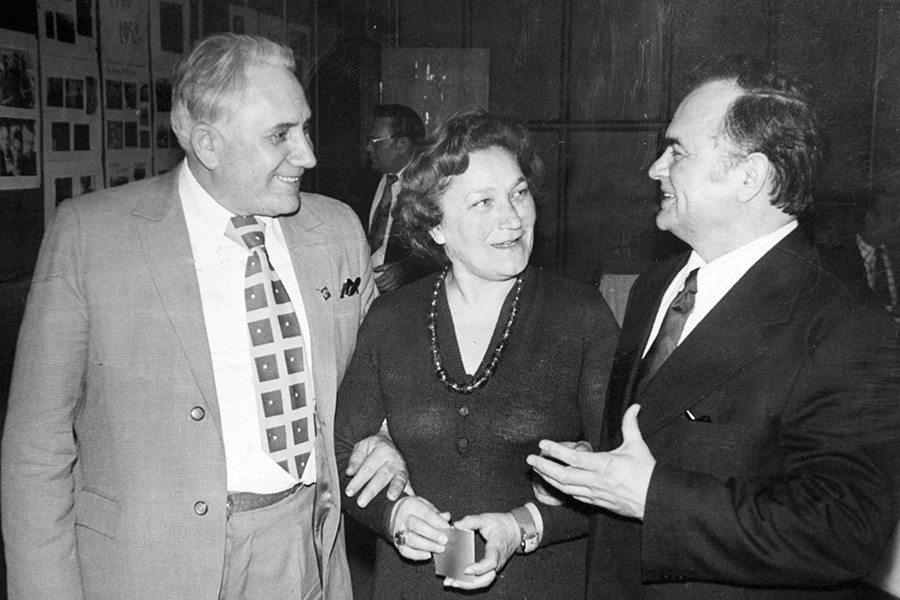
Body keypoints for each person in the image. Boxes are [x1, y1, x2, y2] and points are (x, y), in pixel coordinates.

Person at [0, 33, 399, 600]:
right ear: (208, 143)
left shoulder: (335, 231)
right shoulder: (92, 237)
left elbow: (382, 373)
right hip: (147, 567)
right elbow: (36, 451)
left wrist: (384, 435)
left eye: (304, 128)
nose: (308, 154)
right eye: (280, 135)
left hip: (304, 549)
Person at [528, 55, 900, 599]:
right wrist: (596, 473)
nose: (656, 168)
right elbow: (655, 439)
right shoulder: (657, 286)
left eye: (677, 152)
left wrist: (652, 497)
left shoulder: (847, 326)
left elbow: (843, 530)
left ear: (749, 176)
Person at [334, 109, 619, 599]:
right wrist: (393, 514)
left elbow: (622, 476)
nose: (512, 218)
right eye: (484, 202)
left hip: (539, 585)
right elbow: (342, 454)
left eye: (519, 193)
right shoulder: (391, 318)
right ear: (436, 227)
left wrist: (524, 524)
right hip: (413, 587)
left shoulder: (580, 316)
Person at [365, 103, 437, 292]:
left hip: (408, 294)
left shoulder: (429, 187)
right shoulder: (365, 181)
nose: (368, 148)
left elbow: (441, 250)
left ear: (402, 145)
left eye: (375, 141)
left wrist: (404, 271)